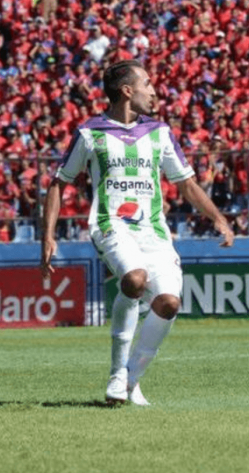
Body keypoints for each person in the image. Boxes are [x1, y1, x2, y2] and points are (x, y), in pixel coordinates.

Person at [41, 60, 234, 406]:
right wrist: (48, 235)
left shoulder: (160, 132)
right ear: (128, 91)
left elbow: (187, 184)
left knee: (169, 303)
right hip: (110, 224)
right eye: (148, 83)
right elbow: (58, 182)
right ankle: (117, 373)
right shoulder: (90, 133)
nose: (155, 91)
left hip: (154, 232)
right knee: (134, 279)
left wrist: (218, 218)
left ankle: (132, 378)